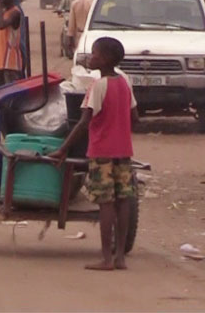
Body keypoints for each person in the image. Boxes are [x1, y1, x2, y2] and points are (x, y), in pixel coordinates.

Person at [48, 37, 138, 271]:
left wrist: (62, 149)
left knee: (105, 203)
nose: (91, 57)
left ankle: (106, 258)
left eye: (95, 53)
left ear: (106, 59)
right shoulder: (125, 82)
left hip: (101, 152)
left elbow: (82, 123)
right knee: (123, 200)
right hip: (124, 151)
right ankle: (120, 257)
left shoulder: (97, 87)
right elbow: (135, 118)